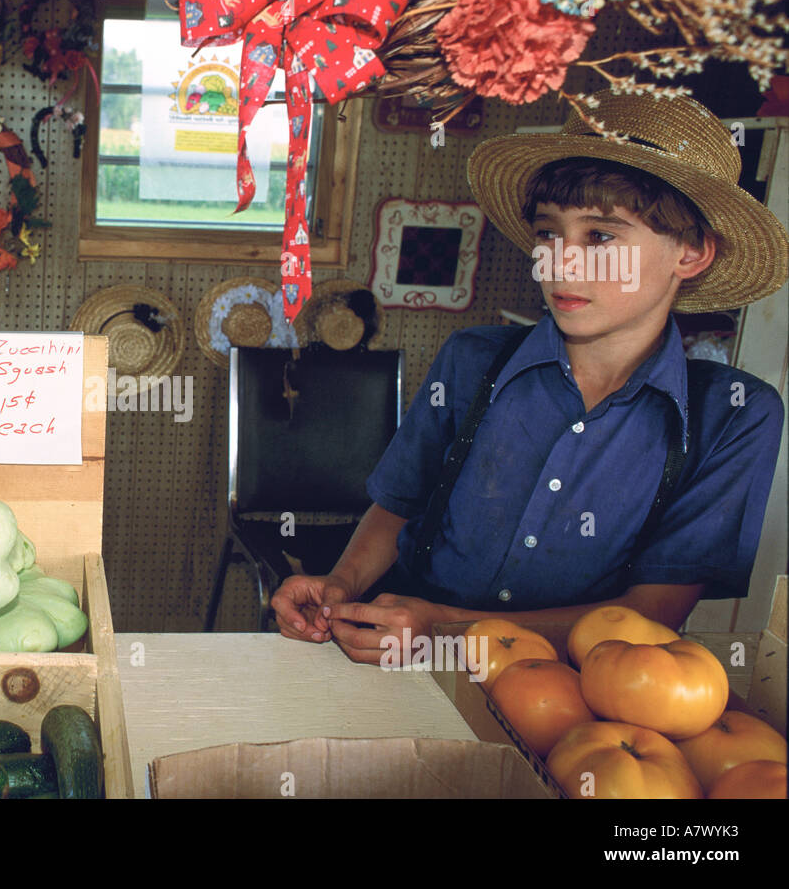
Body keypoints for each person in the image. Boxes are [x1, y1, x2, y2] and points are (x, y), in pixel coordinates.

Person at [272, 90, 787, 664]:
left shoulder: (734, 415)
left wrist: (444, 630)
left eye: (601, 236)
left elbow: (650, 617)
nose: (559, 262)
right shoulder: (472, 360)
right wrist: (340, 587)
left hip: (584, 689)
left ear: (690, 255)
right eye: (548, 233)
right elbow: (398, 506)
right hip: (403, 666)